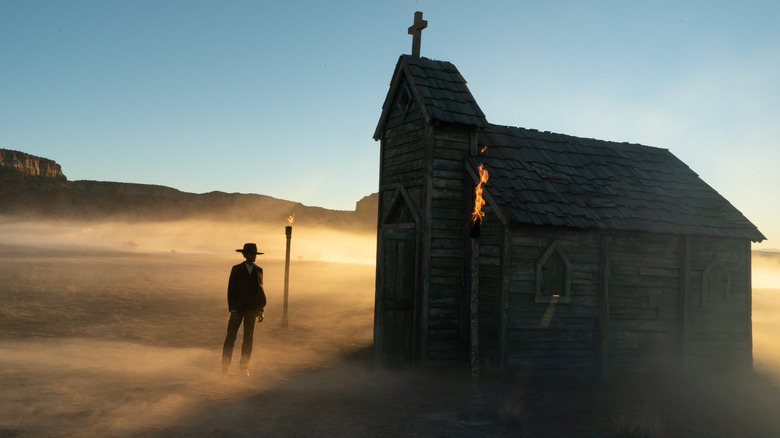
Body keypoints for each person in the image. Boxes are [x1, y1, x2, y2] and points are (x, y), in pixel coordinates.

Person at [222, 242, 266, 376]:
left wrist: (261, 309)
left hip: (252, 310)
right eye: (251, 254)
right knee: (230, 337)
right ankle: (225, 367)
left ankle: (244, 366)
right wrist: (233, 309)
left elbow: (260, 290)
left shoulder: (259, 270)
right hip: (238, 309)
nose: (253, 256)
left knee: (248, 339)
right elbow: (231, 290)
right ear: (244, 254)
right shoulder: (236, 269)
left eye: (255, 254)